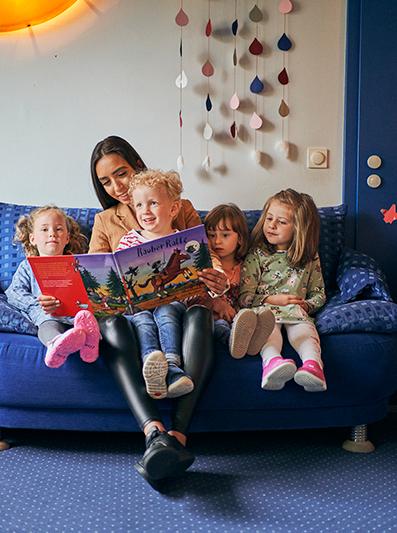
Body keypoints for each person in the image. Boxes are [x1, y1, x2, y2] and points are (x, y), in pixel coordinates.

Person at [89, 136, 228, 490]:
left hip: (181, 305)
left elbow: (203, 257)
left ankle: (174, 436)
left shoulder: (179, 207)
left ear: (137, 165)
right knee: (115, 326)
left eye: (121, 173)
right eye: (106, 181)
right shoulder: (105, 221)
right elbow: (94, 276)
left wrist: (214, 280)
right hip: (130, 314)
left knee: (199, 316)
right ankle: (155, 431)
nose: (117, 186)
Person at [114, 169, 196, 401]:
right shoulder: (128, 240)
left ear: (173, 209)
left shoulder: (182, 241)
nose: (145, 211)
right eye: (138, 205)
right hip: (139, 306)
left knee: (167, 311)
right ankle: (153, 364)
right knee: (141, 319)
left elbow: (190, 288)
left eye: (152, 203)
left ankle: (172, 366)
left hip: (171, 303)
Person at [239, 189, 328, 392]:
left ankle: (313, 367)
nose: (271, 225)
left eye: (281, 222)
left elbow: (319, 293)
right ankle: (272, 364)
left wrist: (306, 305)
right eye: (269, 218)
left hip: (296, 313)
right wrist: (272, 300)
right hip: (265, 312)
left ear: (299, 229)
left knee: (304, 332)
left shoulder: (309, 257)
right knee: (268, 332)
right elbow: (244, 298)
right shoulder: (256, 254)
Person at [5, 205, 101, 368]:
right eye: (44, 229)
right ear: (32, 239)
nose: (52, 233)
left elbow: (92, 288)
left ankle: (89, 345)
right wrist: (37, 303)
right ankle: (57, 343)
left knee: (87, 317)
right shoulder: (27, 266)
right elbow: (14, 292)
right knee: (47, 324)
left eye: (58, 229)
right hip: (47, 314)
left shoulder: (77, 264)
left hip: (78, 314)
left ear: (67, 238)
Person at [192, 203, 274, 358]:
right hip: (211, 322)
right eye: (211, 235)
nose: (217, 241)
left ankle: (252, 338)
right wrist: (216, 303)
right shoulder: (205, 270)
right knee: (220, 325)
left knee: (254, 316)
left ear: (240, 239)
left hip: (241, 320)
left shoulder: (247, 268)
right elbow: (192, 303)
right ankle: (232, 339)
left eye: (225, 235)